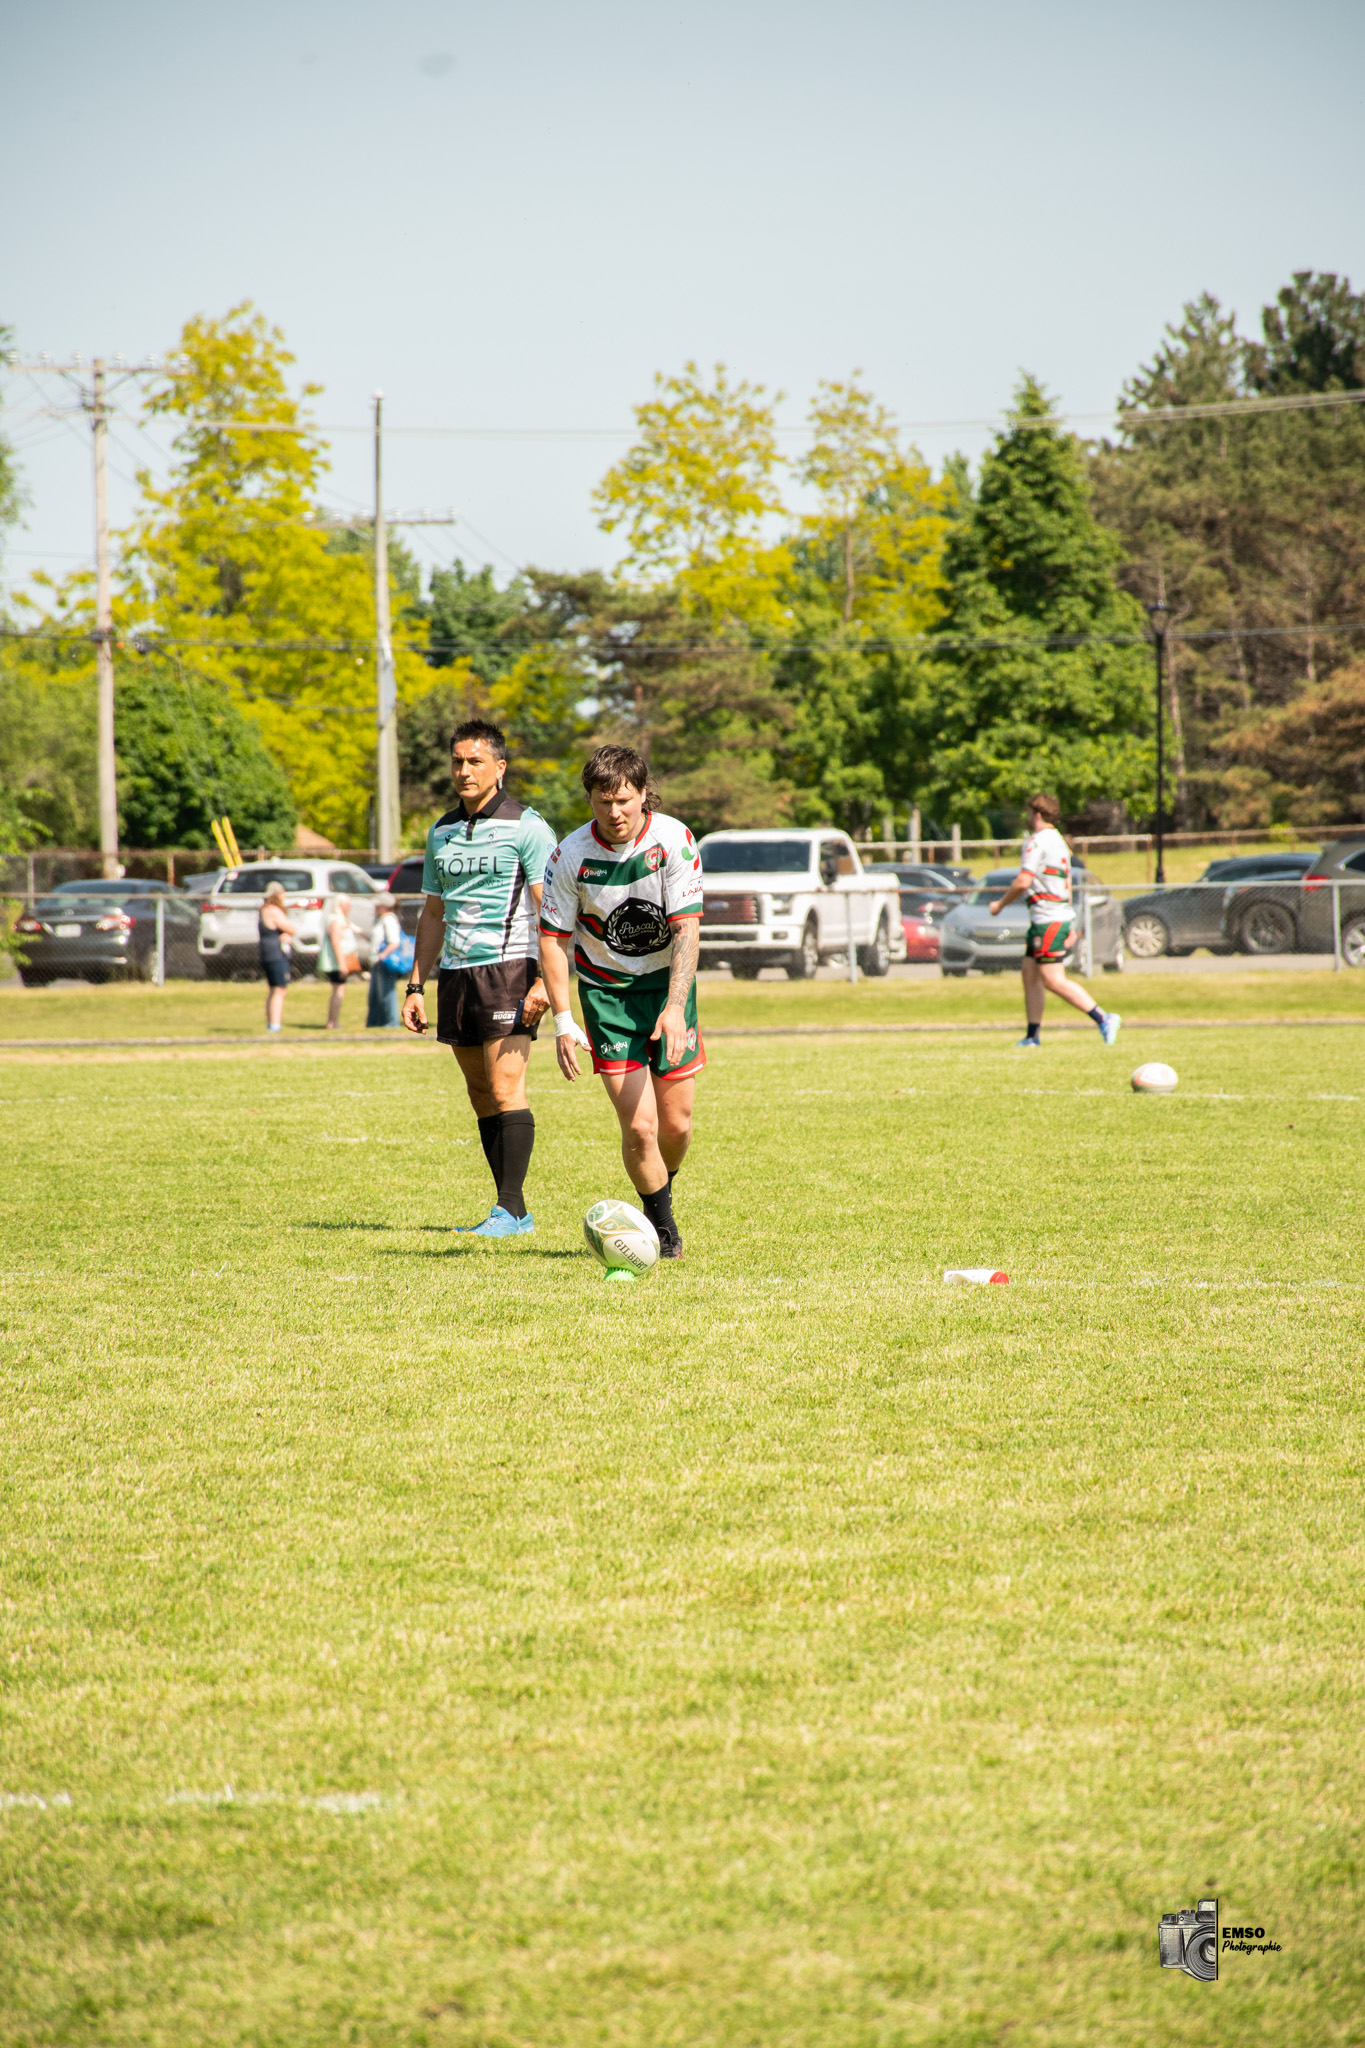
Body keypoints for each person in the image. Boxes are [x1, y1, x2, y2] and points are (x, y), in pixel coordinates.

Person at [538, 744, 705, 1261]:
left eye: (624, 800)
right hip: (607, 994)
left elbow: (687, 931)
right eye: (602, 801)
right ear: (589, 799)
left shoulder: (673, 840)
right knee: (639, 1126)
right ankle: (665, 1232)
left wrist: (675, 1007)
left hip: (666, 988)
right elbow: (552, 940)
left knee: (675, 1126)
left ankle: (661, 1186)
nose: (614, 813)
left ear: (642, 795)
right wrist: (565, 1022)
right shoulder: (570, 856)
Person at [401, 720, 557, 1238]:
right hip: (458, 975)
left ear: (499, 767)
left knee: (507, 1086)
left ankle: (509, 1211)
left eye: (475, 762)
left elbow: (552, 912)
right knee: (480, 1091)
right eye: (457, 762)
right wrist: (417, 984)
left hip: (511, 967)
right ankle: (512, 1210)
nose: (464, 771)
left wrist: (546, 984)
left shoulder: (527, 826)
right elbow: (432, 913)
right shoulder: (441, 831)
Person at [990, 792, 1121, 1049]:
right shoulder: (1060, 842)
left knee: (1053, 979)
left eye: (1029, 813)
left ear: (1036, 814)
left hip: (1048, 919)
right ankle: (1032, 1036)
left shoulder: (1036, 842)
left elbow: (1023, 881)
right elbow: (1067, 882)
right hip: (1052, 916)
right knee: (1030, 973)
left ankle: (1103, 1018)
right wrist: (1070, 920)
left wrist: (1000, 904)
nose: (1027, 818)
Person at [258, 881, 295, 1033]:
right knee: (280, 989)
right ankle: (274, 1025)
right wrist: (287, 933)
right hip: (276, 954)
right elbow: (291, 928)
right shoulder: (273, 910)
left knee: (274, 989)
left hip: (267, 953)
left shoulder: (263, 910)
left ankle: (271, 1024)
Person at [319, 893, 359, 1030]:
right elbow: (336, 942)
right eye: (348, 905)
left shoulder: (341, 920)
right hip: (337, 962)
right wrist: (342, 964)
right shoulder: (336, 920)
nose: (349, 908)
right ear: (342, 905)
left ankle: (333, 1021)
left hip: (338, 961)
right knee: (338, 991)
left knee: (338, 990)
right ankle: (332, 1022)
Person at [366, 893, 403, 1028]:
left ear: (385, 906)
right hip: (377, 962)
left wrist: (382, 955)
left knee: (387, 994)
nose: (375, 908)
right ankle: (375, 1023)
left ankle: (391, 1023)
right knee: (375, 995)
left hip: (385, 962)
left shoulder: (389, 919)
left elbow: (394, 942)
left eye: (378, 905)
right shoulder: (381, 919)